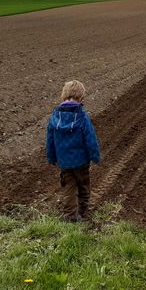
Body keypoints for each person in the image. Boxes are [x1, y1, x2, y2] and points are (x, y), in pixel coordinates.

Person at [45, 80, 101, 221]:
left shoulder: (55, 117)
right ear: (81, 97)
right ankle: (82, 211)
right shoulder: (82, 116)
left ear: (64, 95)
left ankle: (70, 215)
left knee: (69, 187)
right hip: (81, 161)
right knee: (83, 185)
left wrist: (52, 157)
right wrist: (95, 156)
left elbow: (50, 140)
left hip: (64, 162)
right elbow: (90, 138)